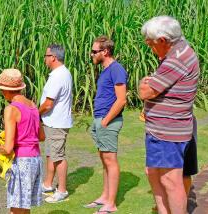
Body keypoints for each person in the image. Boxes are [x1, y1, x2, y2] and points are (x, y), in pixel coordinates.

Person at [138, 16, 200, 214]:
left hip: (168, 132)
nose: (151, 48)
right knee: (153, 173)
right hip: (166, 129)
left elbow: (145, 92)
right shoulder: (181, 49)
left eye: (151, 44)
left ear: (163, 40)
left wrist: (142, 83)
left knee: (170, 180)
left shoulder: (175, 60)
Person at [0, 68, 45, 214]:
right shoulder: (33, 105)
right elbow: (41, 137)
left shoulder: (11, 109)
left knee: (15, 208)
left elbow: (8, 149)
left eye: (1, 89)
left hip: (21, 162)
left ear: (5, 90)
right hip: (35, 159)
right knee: (24, 206)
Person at [84, 36, 128, 213]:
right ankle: (105, 196)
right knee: (104, 160)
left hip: (108, 121)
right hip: (101, 119)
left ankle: (111, 204)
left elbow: (121, 100)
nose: (91, 54)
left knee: (110, 160)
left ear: (105, 52)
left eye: (94, 51)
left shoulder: (116, 69)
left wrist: (106, 121)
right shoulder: (105, 70)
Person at [39, 44, 74, 203]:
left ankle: (62, 190)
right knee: (51, 153)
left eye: (46, 56)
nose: (45, 59)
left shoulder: (59, 75)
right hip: (52, 122)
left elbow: (48, 104)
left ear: (53, 57)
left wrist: (35, 114)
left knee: (58, 156)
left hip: (57, 123)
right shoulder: (60, 73)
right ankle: (47, 184)